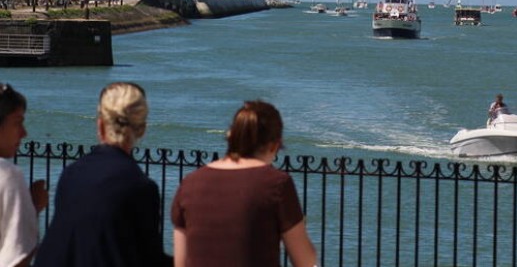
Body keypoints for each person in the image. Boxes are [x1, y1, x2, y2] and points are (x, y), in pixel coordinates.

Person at [34, 82, 172, 266]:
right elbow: (146, 256)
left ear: (100, 125)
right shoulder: (142, 187)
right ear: (142, 130)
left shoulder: (72, 174)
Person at [171, 100, 317, 267]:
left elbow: (181, 262)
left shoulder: (190, 183)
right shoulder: (277, 183)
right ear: (274, 145)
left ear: (232, 137)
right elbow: (305, 260)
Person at [0, 83, 48, 267]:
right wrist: (33, 208)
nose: (23, 133)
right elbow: (18, 257)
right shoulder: (7, 175)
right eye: (17, 122)